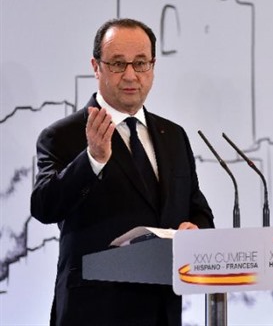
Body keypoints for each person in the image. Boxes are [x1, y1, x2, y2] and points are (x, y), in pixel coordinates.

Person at [31, 18, 215, 326]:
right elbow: (44, 207)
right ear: (96, 67)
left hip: (161, 310)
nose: (130, 75)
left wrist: (195, 230)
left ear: (153, 67)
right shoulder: (63, 135)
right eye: (118, 64)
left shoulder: (173, 135)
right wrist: (92, 159)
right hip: (94, 311)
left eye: (140, 63)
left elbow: (199, 210)